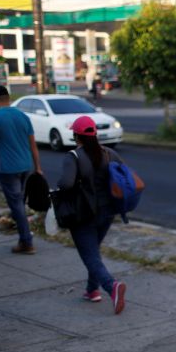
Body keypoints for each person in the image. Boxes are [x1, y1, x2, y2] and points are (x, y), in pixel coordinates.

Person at [57, 116, 127, 315]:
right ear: (94, 134)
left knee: (89, 255)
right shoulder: (109, 153)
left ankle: (111, 286)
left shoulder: (74, 157)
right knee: (93, 251)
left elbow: (66, 184)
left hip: (83, 214)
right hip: (107, 212)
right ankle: (92, 290)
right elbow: (123, 174)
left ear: (75, 135)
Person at [0, 85, 43, 255]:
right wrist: (38, 168)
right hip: (26, 167)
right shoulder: (23, 116)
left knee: (17, 206)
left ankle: (27, 242)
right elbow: (33, 145)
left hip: (9, 170)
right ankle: (23, 239)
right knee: (18, 204)